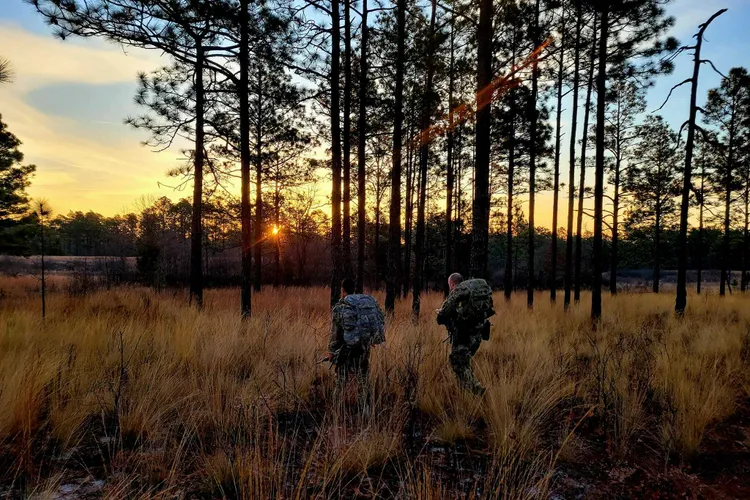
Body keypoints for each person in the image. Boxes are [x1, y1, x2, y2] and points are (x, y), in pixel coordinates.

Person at [328, 278, 385, 406]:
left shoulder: (341, 307)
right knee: (363, 376)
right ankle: (365, 407)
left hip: (346, 348)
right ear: (354, 289)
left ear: (343, 290)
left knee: (341, 378)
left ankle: (337, 408)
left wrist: (331, 352)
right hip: (364, 346)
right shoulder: (364, 303)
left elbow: (335, 334)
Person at [436, 273, 495, 396]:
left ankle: (477, 392)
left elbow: (445, 311)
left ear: (452, 283)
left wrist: (440, 313)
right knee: (464, 362)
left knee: (457, 361)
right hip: (478, 334)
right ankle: (464, 392)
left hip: (464, 335)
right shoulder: (474, 292)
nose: (450, 287)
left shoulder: (459, 291)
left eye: (449, 284)